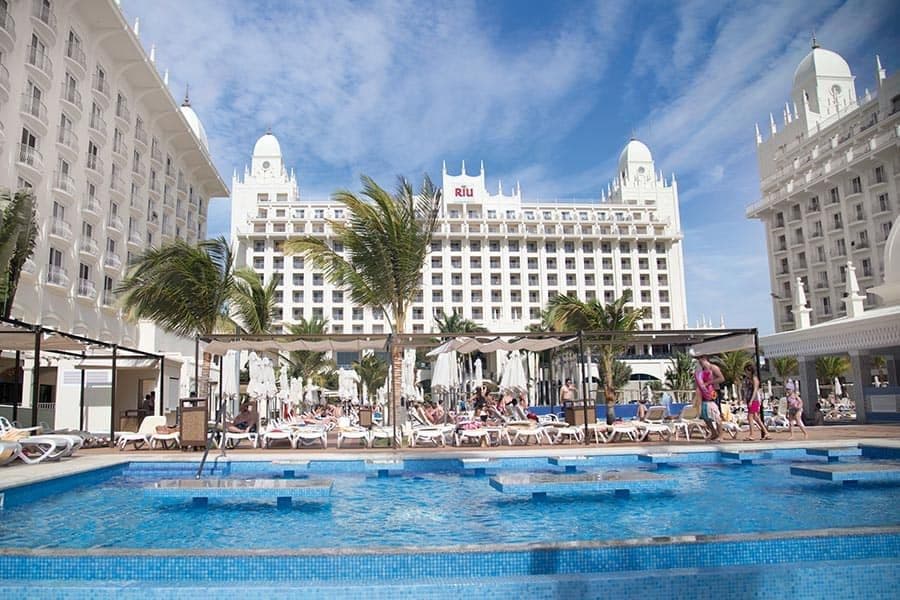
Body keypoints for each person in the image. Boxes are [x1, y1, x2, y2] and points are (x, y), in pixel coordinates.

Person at [695, 355, 724, 440]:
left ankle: (721, 435)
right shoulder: (701, 371)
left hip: (714, 393)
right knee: (704, 415)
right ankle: (714, 432)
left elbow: (722, 378)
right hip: (704, 394)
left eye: (701, 361)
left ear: (705, 360)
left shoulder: (713, 368)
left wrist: (709, 383)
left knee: (716, 414)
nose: (700, 363)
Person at [741, 364, 768, 441]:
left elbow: (755, 390)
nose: (745, 372)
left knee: (750, 417)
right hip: (750, 399)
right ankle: (766, 432)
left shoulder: (754, 379)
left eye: (746, 371)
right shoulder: (747, 379)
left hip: (754, 399)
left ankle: (752, 434)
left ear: (750, 371)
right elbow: (746, 390)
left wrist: (751, 400)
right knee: (756, 417)